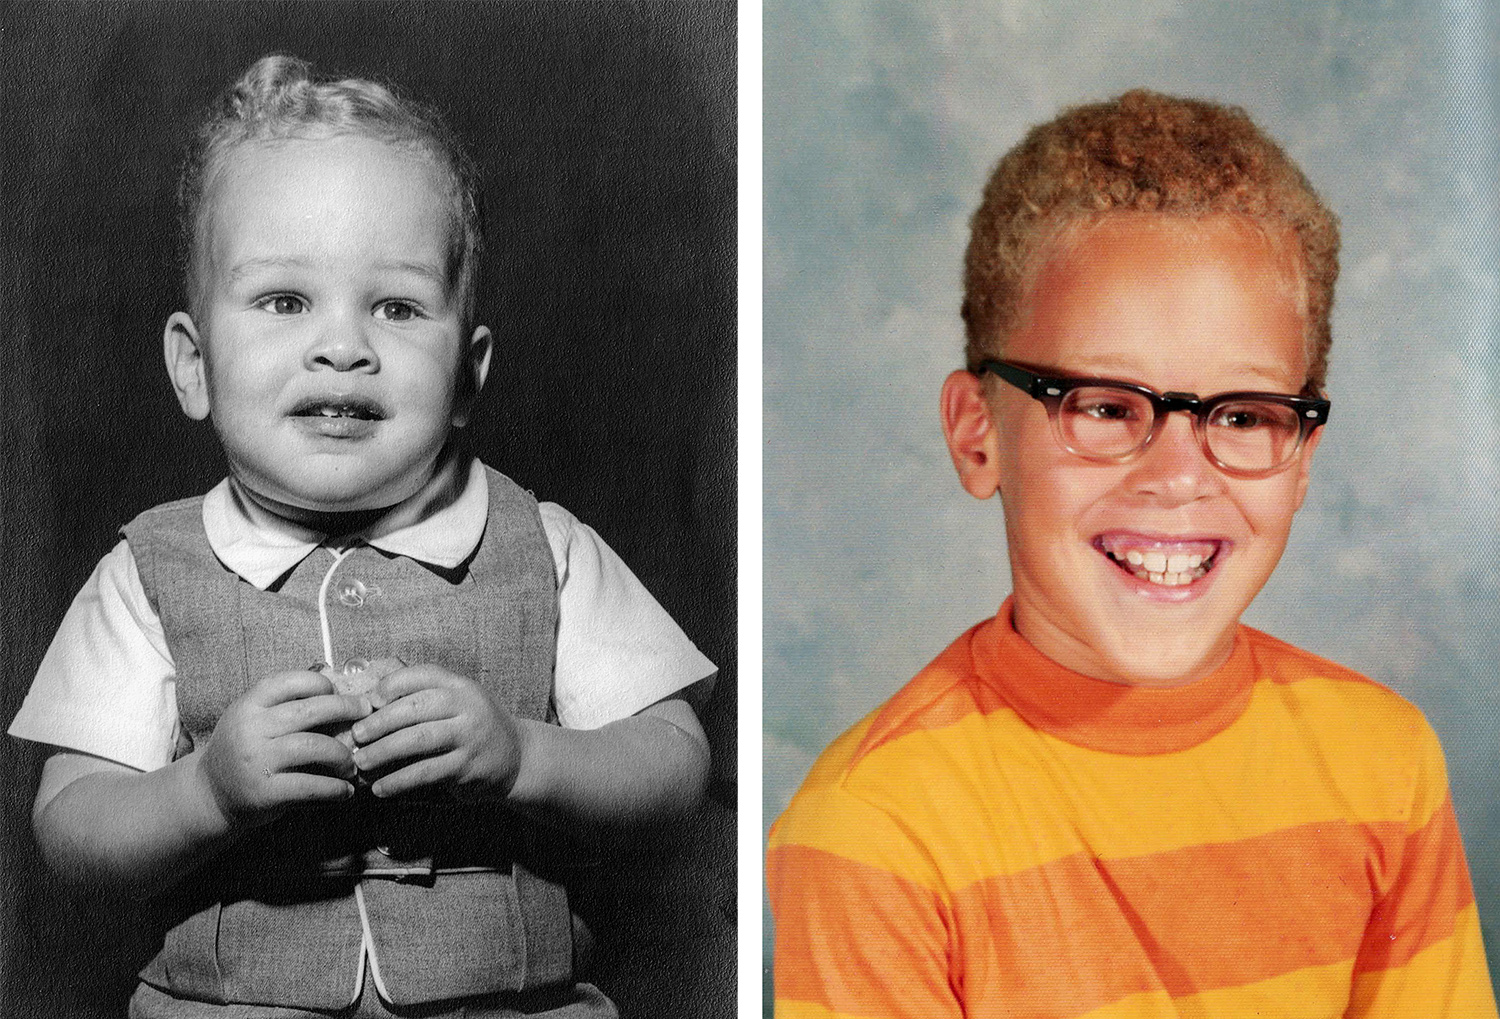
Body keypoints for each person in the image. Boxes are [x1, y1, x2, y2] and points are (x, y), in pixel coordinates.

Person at [9, 54, 715, 1019]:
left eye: (396, 306)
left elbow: (675, 764)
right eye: (285, 301)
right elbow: (70, 825)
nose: (344, 345)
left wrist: (524, 755)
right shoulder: (149, 570)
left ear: (466, 374)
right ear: (193, 364)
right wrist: (203, 793)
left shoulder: (543, 547)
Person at [767, 90, 1497, 1018]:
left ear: (1304, 456)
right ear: (977, 433)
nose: (1178, 475)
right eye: (1107, 405)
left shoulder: (1384, 762)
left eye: (1242, 415)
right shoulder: (877, 825)